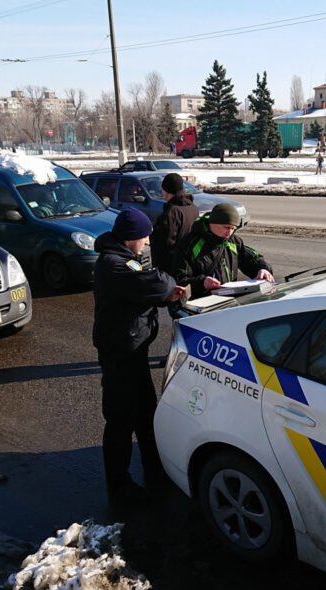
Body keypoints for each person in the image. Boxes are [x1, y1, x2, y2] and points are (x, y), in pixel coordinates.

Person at [92, 207, 187, 502]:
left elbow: (145, 288)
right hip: (120, 352)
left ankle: (154, 467)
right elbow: (155, 282)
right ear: (131, 237)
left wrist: (161, 290)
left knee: (146, 411)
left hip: (134, 348)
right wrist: (167, 288)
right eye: (144, 237)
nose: (147, 242)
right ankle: (118, 484)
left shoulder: (124, 259)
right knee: (121, 418)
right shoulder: (114, 264)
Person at [173, 203, 274, 299]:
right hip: (200, 306)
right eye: (226, 227)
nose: (229, 233)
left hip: (228, 303)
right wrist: (202, 282)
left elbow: (252, 259)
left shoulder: (234, 241)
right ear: (212, 223)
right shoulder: (188, 244)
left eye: (233, 228)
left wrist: (263, 269)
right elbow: (179, 280)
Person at [150, 173, 199, 270]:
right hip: (189, 261)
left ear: (166, 191)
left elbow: (165, 243)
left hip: (172, 266)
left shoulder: (171, 213)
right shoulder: (193, 207)